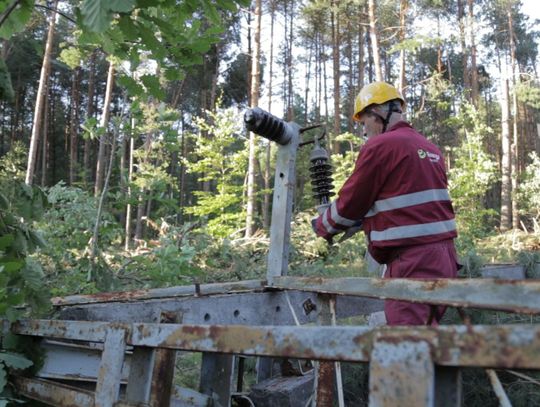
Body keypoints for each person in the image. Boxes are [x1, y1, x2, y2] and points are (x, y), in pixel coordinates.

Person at [313, 81, 459, 326]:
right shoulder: (429, 148)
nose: (364, 130)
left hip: (413, 262)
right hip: (445, 259)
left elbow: (352, 201)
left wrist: (322, 227)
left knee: (406, 344)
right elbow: (406, 203)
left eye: (364, 122)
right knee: (427, 337)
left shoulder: (381, 146)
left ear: (378, 113)